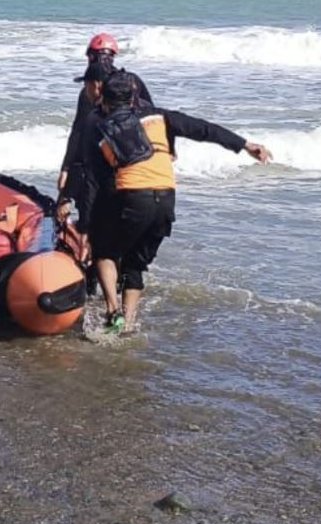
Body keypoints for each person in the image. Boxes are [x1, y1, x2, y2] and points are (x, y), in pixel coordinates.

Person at [91, 73, 272, 333]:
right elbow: (202, 129)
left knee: (105, 252)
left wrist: (91, 222)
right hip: (166, 199)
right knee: (136, 263)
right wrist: (244, 144)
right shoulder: (161, 118)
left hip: (133, 198)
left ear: (105, 102)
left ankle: (112, 311)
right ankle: (128, 326)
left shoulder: (103, 130)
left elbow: (100, 182)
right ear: (134, 98)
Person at [57, 33, 154, 229]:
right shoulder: (133, 82)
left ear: (90, 57)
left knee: (93, 215)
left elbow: (79, 134)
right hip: (136, 162)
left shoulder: (89, 90)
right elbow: (153, 118)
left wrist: (66, 174)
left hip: (102, 164)